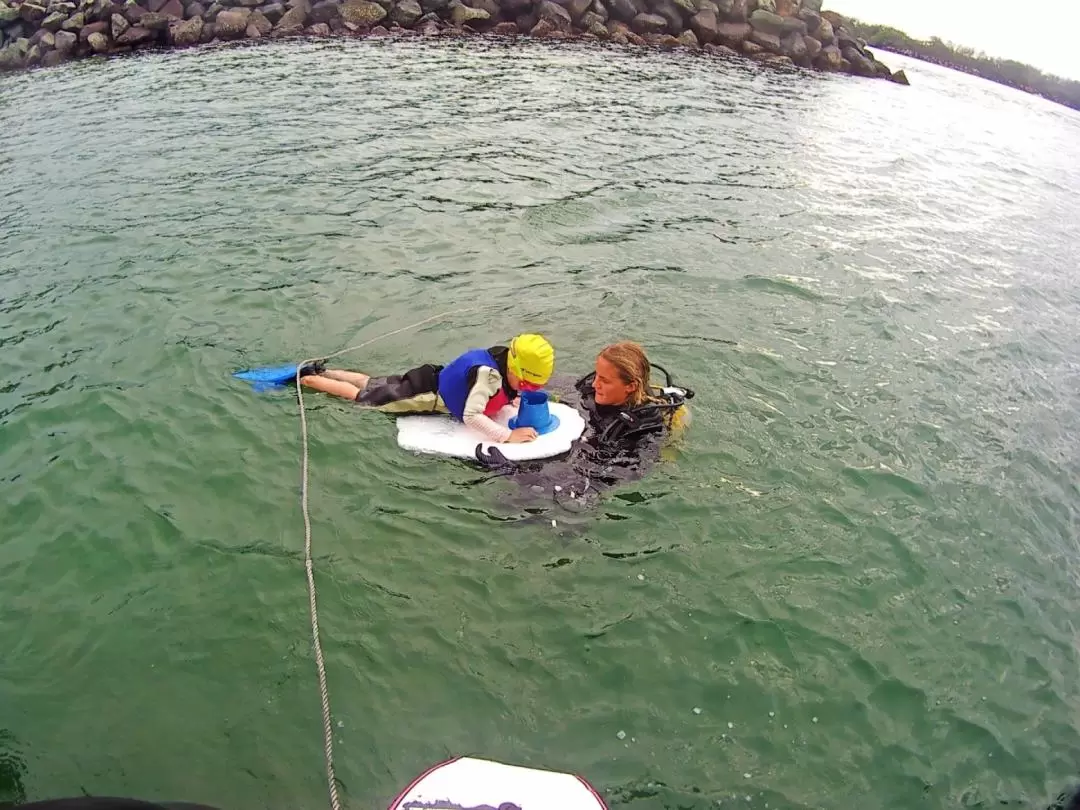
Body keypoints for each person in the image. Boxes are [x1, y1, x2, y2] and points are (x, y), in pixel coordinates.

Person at [476, 341, 693, 503]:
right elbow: (551, 385)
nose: (595, 384)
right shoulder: (592, 388)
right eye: (597, 375)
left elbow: (596, 483)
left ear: (631, 386)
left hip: (585, 472)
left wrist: (512, 471)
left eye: (605, 381)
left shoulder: (641, 431)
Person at [297, 333, 555, 444]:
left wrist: (513, 400)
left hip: (429, 376)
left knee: (372, 382)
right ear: (514, 370)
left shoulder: (502, 358)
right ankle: (308, 379)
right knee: (363, 397)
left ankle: (325, 370)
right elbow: (471, 416)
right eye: (526, 384)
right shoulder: (489, 377)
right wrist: (506, 436)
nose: (527, 389)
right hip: (424, 396)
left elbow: (499, 393)